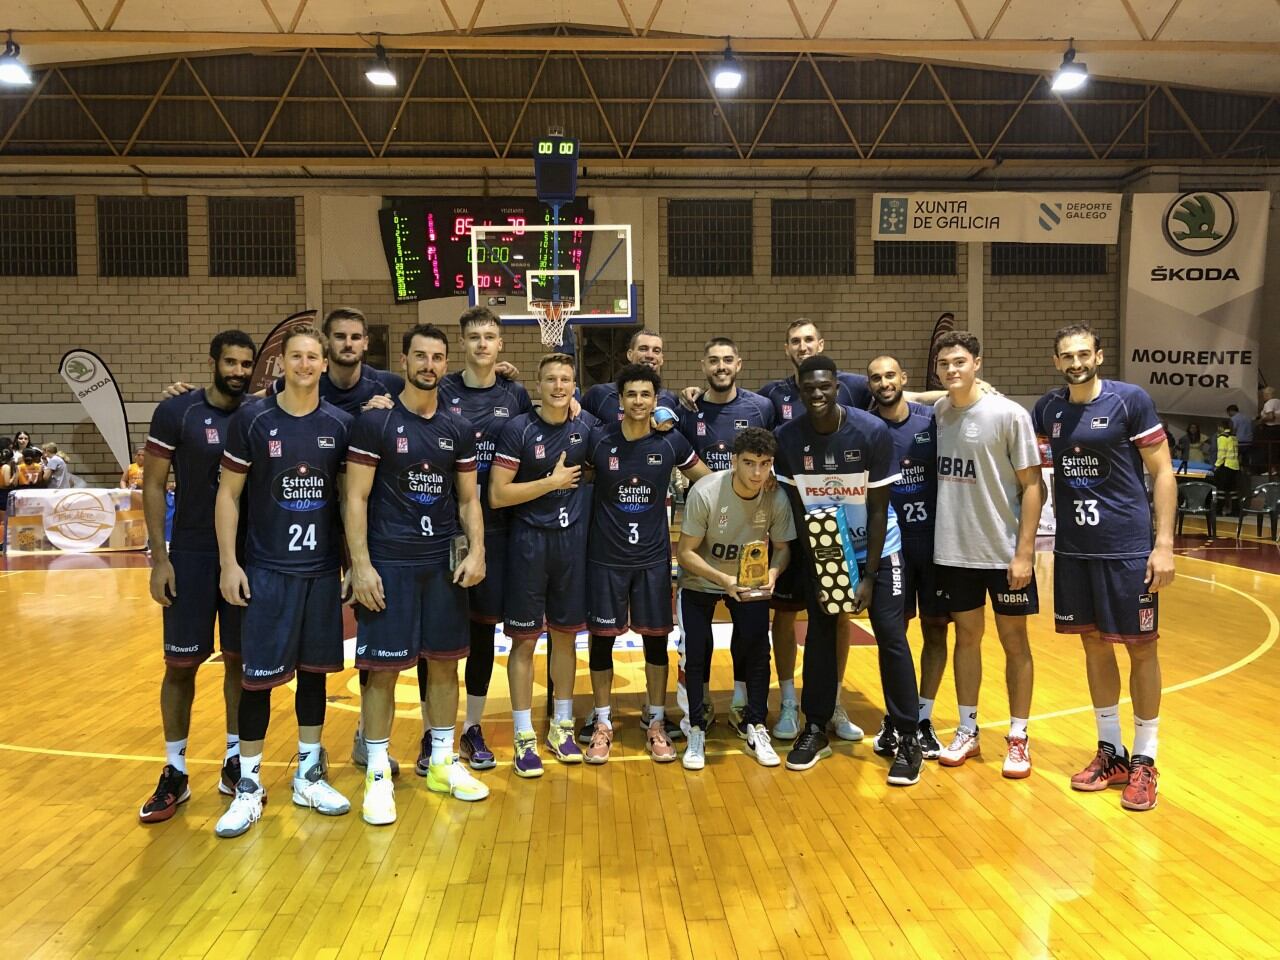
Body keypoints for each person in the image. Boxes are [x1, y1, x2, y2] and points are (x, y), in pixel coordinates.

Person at [344, 323, 490, 823]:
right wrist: (360, 565)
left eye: (437, 357)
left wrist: (478, 551)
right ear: (403, 362)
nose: (429, 365)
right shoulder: (376, 424)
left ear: (445, 364)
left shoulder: (457, 427)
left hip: (443, 564)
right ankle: (379, 771)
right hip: (391, 562)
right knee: (383, 671)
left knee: (446, 664)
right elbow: (356, 497)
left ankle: (444, 762)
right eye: (420, 356)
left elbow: (469, 498)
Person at [212, 324, 353, 839]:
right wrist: (230, 563)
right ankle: (248, 785)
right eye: (296, 356)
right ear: (283, 363)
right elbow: (227, 496)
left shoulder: (339, 425)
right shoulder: (254, 419)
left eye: (313, 357)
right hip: (267, 571)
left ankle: (308, 773)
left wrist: (348, 564)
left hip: (318, 572)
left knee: (314, 676)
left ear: (322, 364)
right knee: (258, 682)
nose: (306, 365)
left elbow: (347, 500)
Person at [1033, 323, 1175, 812]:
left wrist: (1164, 544)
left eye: (1083, 353)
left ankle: (1146, 760)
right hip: (1075, 551)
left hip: (1127, 551)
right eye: (1066, 356)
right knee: (1094, 647)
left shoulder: (1128, 400)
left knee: (1140, 650)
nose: (1075, 362)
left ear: (1098, 354)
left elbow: (1162, 472)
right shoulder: (1048, 409)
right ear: (1056, 362)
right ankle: (1111, 753)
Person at [772, 355, 923, 784]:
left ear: (837, 387)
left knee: (891, 637)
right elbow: (799, 513)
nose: (817, 394)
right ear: (800, 390)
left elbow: (878, 511)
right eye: (809, 388)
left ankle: (907, 735)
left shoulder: (870, 431)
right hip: (826, 551)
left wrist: (871, 576)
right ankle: (815, 726)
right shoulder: (788, 438)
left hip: (879, 551)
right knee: (820, 633)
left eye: (825, 386)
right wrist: (819, 566)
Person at [137, 330, 257, 824]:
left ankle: (233, 761)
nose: (238, 372)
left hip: (244, 556)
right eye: (230, 362)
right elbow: (152, 483)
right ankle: (175, 770)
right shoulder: (177, 412)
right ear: (212, 361)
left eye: (246, 364)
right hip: (188, 553)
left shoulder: (258, 414)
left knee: (238, 663)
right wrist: (159, 558)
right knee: (180, 665)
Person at [754, 320, 874, 742]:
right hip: (792, 525)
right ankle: (788, 700)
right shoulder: (772, 395)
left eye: (809, 340)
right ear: (786, 348)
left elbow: (899, 391)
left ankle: (833, 700)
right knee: (784, 616)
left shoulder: (854, 385)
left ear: (822, 345)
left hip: (837, 533)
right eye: (795, 341)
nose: (803, 346)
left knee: (837, 616)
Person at [582, 363, 708, 764]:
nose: (639, 401)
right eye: (631, 394)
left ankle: (655, 720)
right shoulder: (599, 442)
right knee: (602, 642)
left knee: (656, 641)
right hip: (605, 559)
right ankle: (602, 721)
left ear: (656, 400)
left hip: (653, 559)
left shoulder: (670, 442)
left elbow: (706, 481)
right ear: (620, 400)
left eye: (646, 395)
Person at [931, 331, 1043, 779]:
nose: (952, 370)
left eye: (959, 361)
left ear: (978, 362)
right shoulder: (939, 412)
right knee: (967, 640)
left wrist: (1024, 553)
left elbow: (1034, 486)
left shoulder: (1008, 414)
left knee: (1015, 644)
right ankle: (967, 729)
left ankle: (1018, 736)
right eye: (944, 364)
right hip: (955, 551)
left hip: (1003, 554)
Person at [489, 353, 599, 776]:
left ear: (574, 385)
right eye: (551, 379)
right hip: (528, 544)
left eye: (566, 379)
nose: (558, 386)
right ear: (538, 385)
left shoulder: (585, 426)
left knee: (567, 638)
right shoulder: (517, 430)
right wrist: (551, 483)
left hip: (572, 545)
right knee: (524, 641)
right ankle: (522, 736)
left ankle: (562, 727)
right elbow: (497, 495)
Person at [436, 306, 533, 772]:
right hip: (443, 531)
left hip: (500, 533)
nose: (482, 344)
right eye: (474, 336)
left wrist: (573, 405)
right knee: (437, 640)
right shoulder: (440, 387)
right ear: (462, 342)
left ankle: (472, 728)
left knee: (482, 635)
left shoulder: (515, 395)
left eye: (490, 336)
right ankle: (431, 736)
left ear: (500, 345)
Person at [675, 427, 794, 770]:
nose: (757, 473)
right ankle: (696, 727)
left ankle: (755, 724)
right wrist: (723, 579)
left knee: (757, 648)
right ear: (733, 461)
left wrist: (772, 574)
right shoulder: (706, 491)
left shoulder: (775, 496)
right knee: (695, 651)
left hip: (748, 582)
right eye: (749, 463)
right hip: (702, 579)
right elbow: (685, 553)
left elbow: (783, 549)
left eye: (764, 464)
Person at [674, 337, 775, 735]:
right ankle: (697, 713)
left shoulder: (760, 407)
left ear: (739, 363)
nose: (721, 366)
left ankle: (740, 702)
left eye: (727, 360)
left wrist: (752, 484)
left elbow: (771, 453)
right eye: (713, 360)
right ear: (703, 365)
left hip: (749, 527)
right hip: (705, 518)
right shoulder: (689, 408)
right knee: (696, 643)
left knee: (750, 636)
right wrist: (719, 487)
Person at [866, 355, 948, 761]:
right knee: (892, 636)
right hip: (890, 545)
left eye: (890, 376)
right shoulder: (865, 428)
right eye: (876, 378)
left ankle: (924, 717)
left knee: (936, 631)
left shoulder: (931, 420)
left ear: (904, 379)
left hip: (933, 545)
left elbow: (960, 394)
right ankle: (895, 717)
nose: (884, 383)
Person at [581, 329, 681, 421]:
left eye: (656, 351)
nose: (650, 355)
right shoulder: (599, 395)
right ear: (629, 354)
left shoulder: (670, 399)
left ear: (661, 359)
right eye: (643, 349)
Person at [1213, 421, 1240, 514]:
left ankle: (1219, 510)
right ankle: (1235, 511)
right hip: (1235, 466)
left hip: (1225, 465)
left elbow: (1221, 453)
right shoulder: (1234, 437)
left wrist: (1216, 465)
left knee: (1221, 489)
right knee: (1233, 491)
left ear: (1220, 427)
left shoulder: (1222, 438)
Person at [1227, 403, 1253, 473]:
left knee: (1234, 459)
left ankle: (1236, 473)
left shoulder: (1234, 419)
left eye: (1228, 412)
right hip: (1248, 442)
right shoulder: (1248, 418)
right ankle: (1247, 473)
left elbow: (1233, 431)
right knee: (1246, 460)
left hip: (1238, 442)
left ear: (1231, 411)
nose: (1228, 414)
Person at [1262, 386, 1280, 477]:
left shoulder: (1269, 403)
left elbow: (1271, 416)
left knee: (1269, 450)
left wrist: (1262, 420)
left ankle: (1272, 470)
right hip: (1278, 428)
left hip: (1270, 429)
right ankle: (1276, 469)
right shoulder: (1278, 402)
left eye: (1264, 394)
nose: (1263, 397)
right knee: (1276, 449)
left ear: (1267, 394)